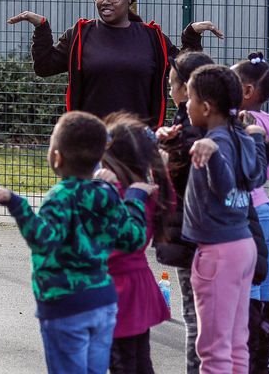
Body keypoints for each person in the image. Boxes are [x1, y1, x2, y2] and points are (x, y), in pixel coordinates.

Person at [0, 111, 156, 374]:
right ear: (99, 158)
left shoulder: (59, 197)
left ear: (56, 157)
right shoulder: (106, 193)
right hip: (103, 302)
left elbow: (43, 241)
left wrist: (16, 204)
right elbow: (133, 238)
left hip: (65, 305)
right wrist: (133, 199)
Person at [7, 0, 224, 129]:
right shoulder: (81, 34)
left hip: (138, 141)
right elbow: (44, 66)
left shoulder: (152, 37)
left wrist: (192, 35)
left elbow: (184, 71)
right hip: (91, 140)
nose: (105, 1)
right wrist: (41, 27)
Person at [182, 64, 268, 373]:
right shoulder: (240, 135)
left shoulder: (214, 145)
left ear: (205, 107)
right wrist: (257, 139)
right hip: (242, 247)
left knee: (214, 351)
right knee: (234, 344)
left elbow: (224, 185)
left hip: (218, 252)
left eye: (189, 99)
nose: (185, 105)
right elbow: (256, 176)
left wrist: (212, 151)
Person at [95, 113, 174, 373]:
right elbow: (170, 201)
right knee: (140, 360)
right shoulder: (149, 192)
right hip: (138, 284)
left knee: (121, 362)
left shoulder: (114, 195)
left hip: (116, 289)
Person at [155, 50, 214, 374]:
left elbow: (173, 179)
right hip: (209, 238)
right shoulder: (214, 123)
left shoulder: (188, 132)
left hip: (192, 238)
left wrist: (161, 153)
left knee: (197, 319)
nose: (168, 87)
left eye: (170, 82)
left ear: (185, 90)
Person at [232, 52, 269, 373]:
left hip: (250, 215)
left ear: (247, 91)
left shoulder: (246, 122)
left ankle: (250, 359)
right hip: (267, 211)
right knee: (264, 288)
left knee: (250, 292)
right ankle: (262, 359)